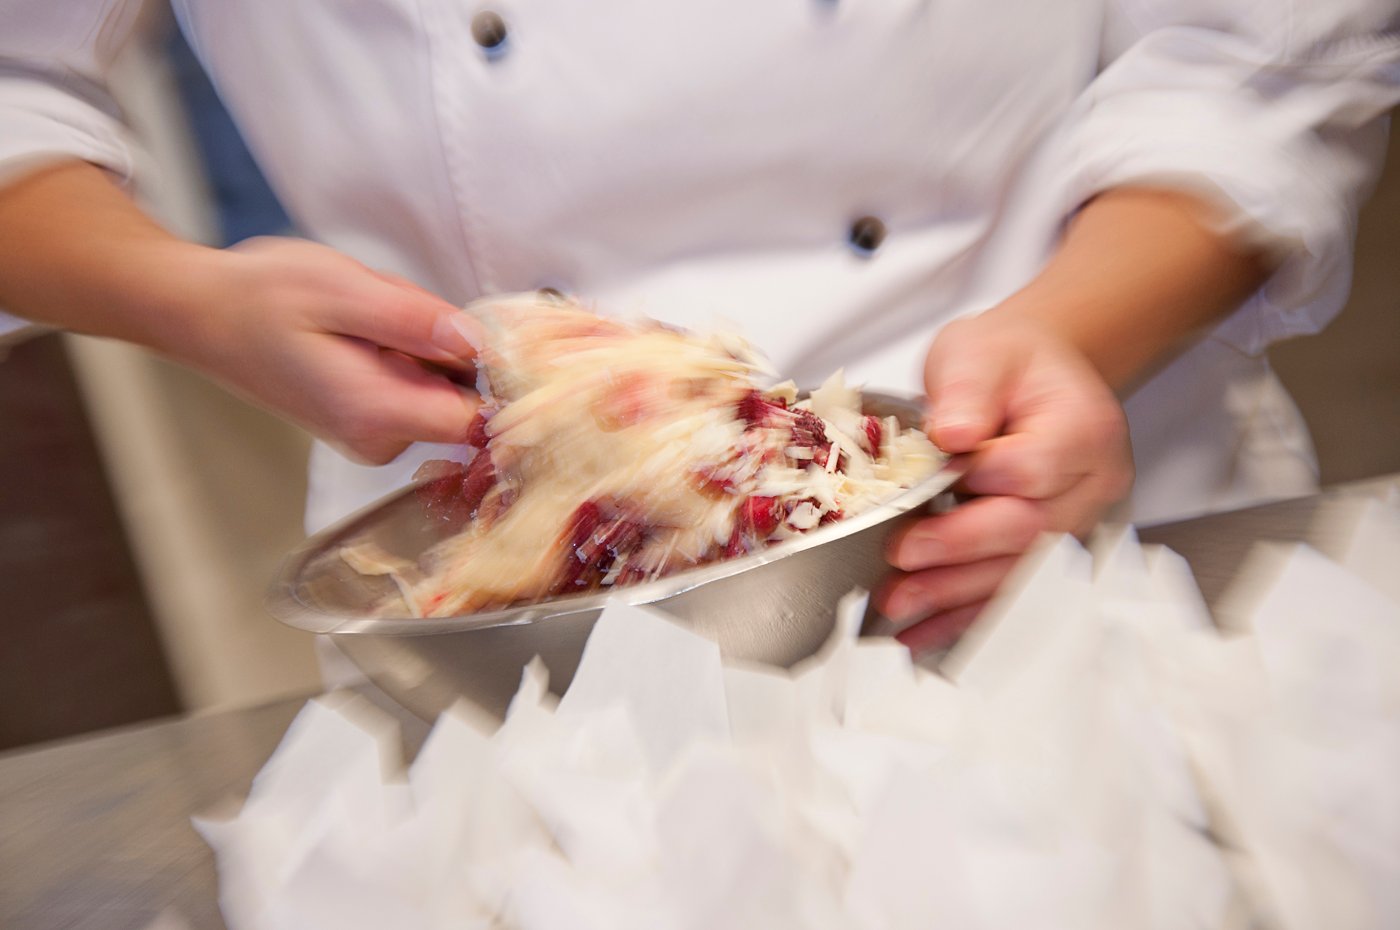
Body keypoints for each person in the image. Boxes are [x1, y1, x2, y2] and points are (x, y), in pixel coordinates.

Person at [1, 0, 1396, 651]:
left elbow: (1264, 45)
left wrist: (1075, 330)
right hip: (514, 602)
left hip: (1066, 505)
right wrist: (187, 296)